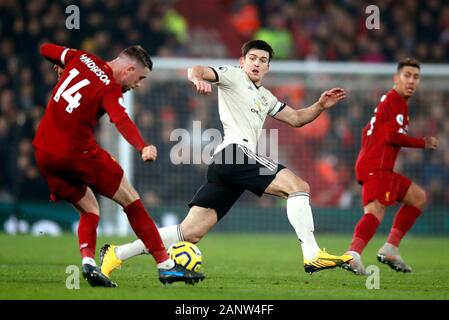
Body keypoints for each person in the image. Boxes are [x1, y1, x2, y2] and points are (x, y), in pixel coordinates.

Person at [100, 39, 352, 278]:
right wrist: (198, 79)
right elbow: (195, 69)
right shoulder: (233, 75)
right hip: (235, 154)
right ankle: (312, 254)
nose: (256, 63)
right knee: (299, 187)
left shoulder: (265, 97)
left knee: (189, 232)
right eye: (252, 58)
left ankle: (117, 253)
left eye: (262, 60)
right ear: (242, 61)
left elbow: (296, 119)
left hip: (227, 163)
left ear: (268, 67)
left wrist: (319, 106)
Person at [33, 43, 204, 287]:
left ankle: (89, 264)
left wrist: (63, 65)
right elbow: (121, 118)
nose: (138, 85)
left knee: (90, 209)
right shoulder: (109, 88)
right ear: (129, 69)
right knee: (131, 201)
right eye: (140, 78)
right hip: (78, 155)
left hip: (44, 153)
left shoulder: (80, 58)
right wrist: (142, 145)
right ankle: (166, 266)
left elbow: (44, 48)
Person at [341, 58, 439, 275]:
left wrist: (369, 149)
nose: (412, 81)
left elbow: (369, 129)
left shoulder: (394, 102)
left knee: (418, 197)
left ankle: (391, 248)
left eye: (416, 77)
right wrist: (422, 142)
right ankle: (352, 254)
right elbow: (390, 135)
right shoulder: (395, 101)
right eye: (407, 76)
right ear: (396, 78)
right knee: (375, 211)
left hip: (378, 165)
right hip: (377, 167)